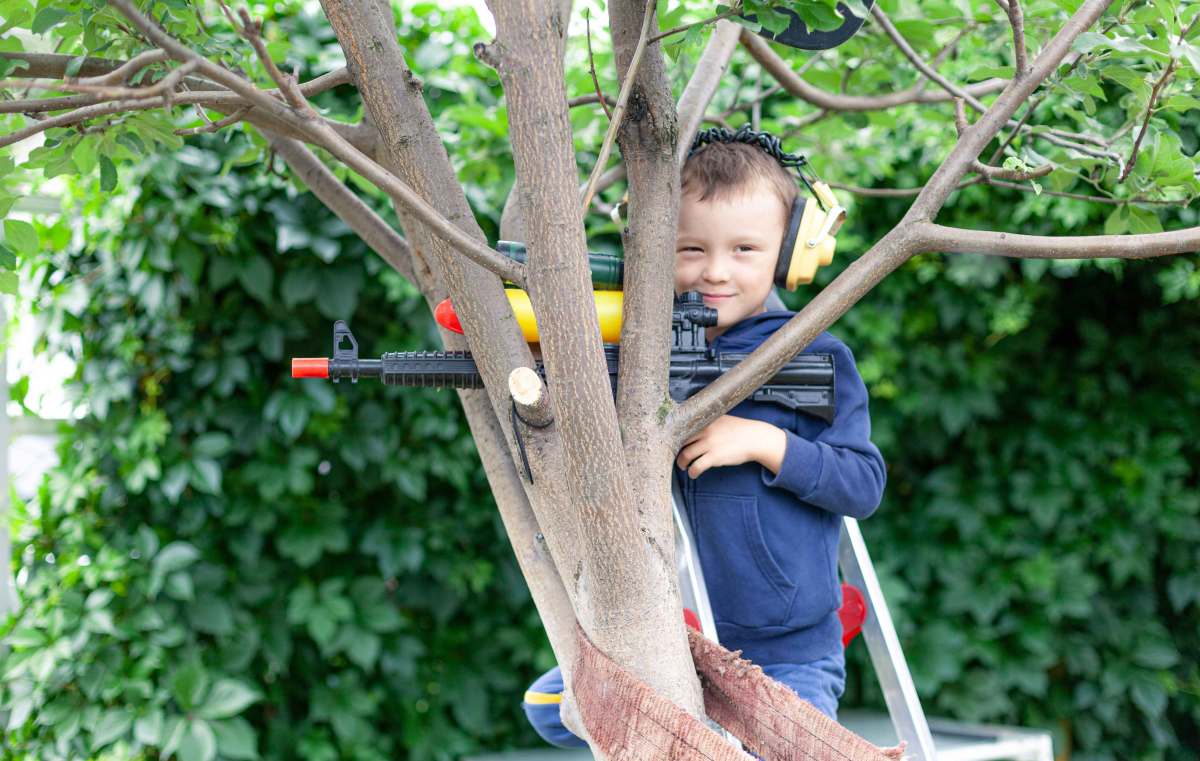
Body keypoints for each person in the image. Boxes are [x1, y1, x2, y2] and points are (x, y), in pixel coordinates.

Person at [521, 131, 886, 747]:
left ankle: (832, 615)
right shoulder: (640, 354)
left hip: (787, 649)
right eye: (691, 248)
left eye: (746, 249)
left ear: (790, 251)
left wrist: (765, 443)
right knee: (549, 708)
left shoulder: (812, 353)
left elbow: (863, 483)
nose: (716, 271)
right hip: (679, 636)